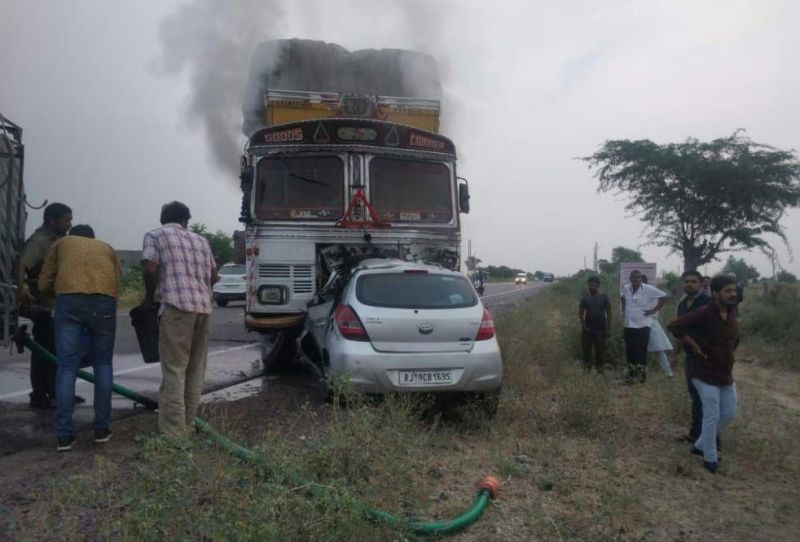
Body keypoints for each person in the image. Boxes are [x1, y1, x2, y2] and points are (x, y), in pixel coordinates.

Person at [38, 224, 122, 451]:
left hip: (69, 301)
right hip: (104, 301)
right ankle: (102, 429)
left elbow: (44, 282)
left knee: (66, 368)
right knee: (103, 364)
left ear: (73, 236)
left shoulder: (61, 243)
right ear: (93, 238)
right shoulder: (107, 247)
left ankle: (65, 435)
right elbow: (117, 280)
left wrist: (50, 296)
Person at [141, 202, 219, 440]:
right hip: (203, 309)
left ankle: (173, 434)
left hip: (176, 308)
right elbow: (214, 276)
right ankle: (188, 425)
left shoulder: (155, 235)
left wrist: (148, 297)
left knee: (174, 369)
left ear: (163, 218)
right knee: (195, 370)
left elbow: (150, 268)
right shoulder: (201, 241)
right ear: (186, 221)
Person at [667, 275, 740, 474]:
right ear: (716, 294)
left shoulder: (732, 312)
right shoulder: (704, 312)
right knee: (711, 414)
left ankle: (699, 445)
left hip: (724, 372)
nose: (733, 294)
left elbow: (734, 337)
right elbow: (674, 326)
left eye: (734, 290)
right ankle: (710, 458)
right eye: (728, 291)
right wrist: (693, 345)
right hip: (703, 371)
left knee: (729, 413)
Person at [17, 202, 73, 409]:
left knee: (57, 349)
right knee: (44, 350)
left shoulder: (58, 241)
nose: (69, 224)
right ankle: (39, 394)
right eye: (66, 220)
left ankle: (57, 391)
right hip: (44, 306)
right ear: (52, 220)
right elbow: (22, 264)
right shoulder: (40, 241)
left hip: (57, 305)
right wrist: (23, 288)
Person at [677, 270, 711, 442]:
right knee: (694, 395)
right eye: (687, 281)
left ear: (700, 283)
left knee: (706, 398)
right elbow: (679, 331)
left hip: (706, 357)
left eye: (693, 281)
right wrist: (675, 354)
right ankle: (695, 433)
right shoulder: (682, 304)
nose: (689, 284)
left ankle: (708, 438)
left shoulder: (708, 303)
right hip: (690, 357)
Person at [620, 270, 668, 383]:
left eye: (639, 278)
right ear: (630, 279)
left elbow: (665, 297)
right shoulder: (626, 288)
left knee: (641, 351)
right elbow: (622, 298)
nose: (636, 280)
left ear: (641, 279)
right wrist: (624, 310)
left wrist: (654, 310)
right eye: (634, 277)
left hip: (643, 325)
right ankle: (631, 377)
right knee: (630, 351)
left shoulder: (648, 289)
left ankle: (641, 378)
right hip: (628, 325)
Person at [578, 276, 610, 372]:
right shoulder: (585, 299)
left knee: (600, 352)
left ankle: (600, 371)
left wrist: (608, 329)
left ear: (598, 286)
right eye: (590, 285)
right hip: (588, 329)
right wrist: (584, 327)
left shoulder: (604, 298)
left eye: (594, 285)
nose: (591, 287)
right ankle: (587, 371)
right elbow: (581, 315)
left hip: (600, 329)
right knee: (586, 352)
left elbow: (609, 314)